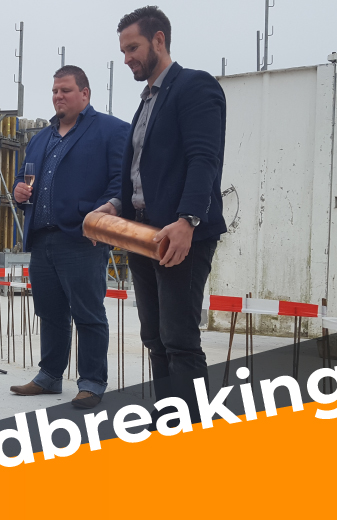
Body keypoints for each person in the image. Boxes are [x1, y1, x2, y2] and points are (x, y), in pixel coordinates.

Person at [102, 6, 227, 423]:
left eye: (133, 47)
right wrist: (116, 205)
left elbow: (203, 159)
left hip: (179, 236)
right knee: (154, 336)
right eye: (123, 51)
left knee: (179, 340)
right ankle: (169, 417)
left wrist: (188, 220)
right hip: (143, 236)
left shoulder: (195, 87)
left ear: (159, 40)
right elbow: (141, 172)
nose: (127, 59)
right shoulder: (145, 103)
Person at [8, 66, 129, 409]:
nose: (58, 96)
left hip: (82, 238)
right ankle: (49, 376)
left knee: (88, 313)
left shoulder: (110, 130)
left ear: (85, 94)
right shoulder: (40, 138)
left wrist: (104, 214)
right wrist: (18, 191)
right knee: (50, 311)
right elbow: (23, 178)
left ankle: (91, 381)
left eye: (65, 90)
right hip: (42, 238)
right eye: (54, 91)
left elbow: (122, 181)